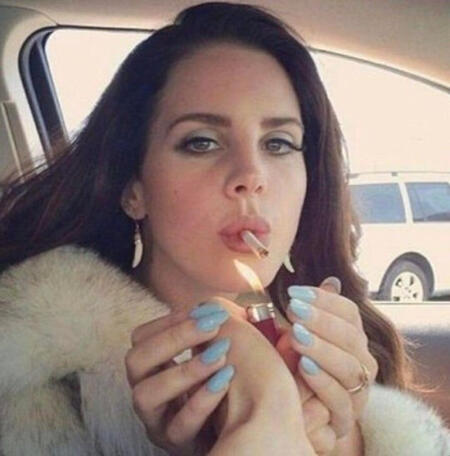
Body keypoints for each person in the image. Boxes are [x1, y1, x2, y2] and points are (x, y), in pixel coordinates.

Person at [0, 2, 448, 455]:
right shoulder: (28, 385)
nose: (251, 175)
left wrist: (347, 443)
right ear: (133, 188)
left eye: (278, 143)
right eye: (202, 142)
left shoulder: (338, 357)